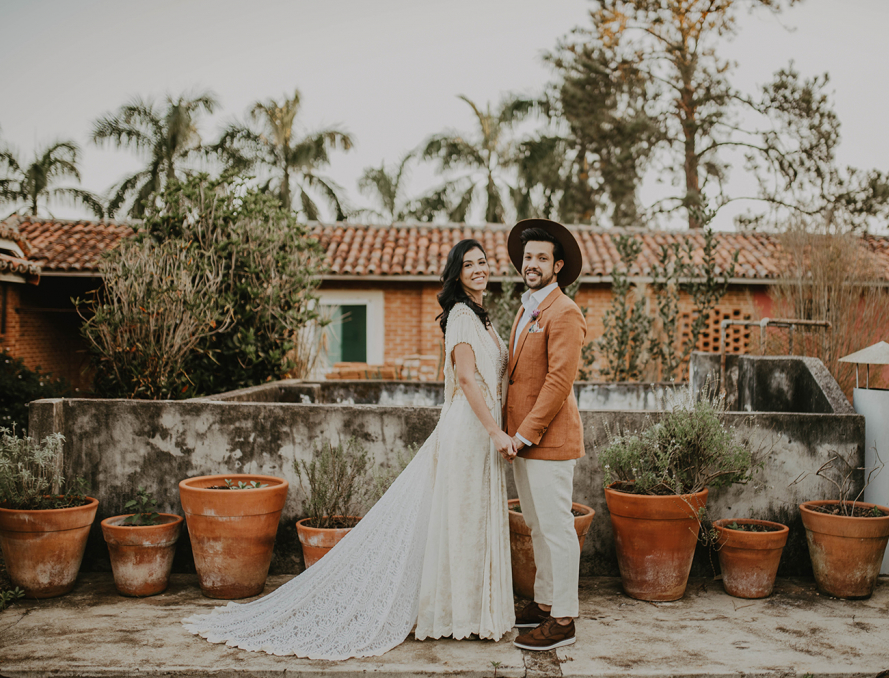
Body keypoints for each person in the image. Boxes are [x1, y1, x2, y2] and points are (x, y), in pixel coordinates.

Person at [182, 239, 517, 660]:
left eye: (483, 262)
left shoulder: (484, 318)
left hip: (482, 432)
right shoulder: (463, 317)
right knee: (462, 521)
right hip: (470, 432)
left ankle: (473, 611)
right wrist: (495, 432)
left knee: (470, 520)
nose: (479, 269)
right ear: (457, 274)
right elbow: (467, 380)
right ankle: (458, 615)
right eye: (469, 265)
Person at [503, 219, 587, 652]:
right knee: (537, 526)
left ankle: (565, 620)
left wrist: (523, 434)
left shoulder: (565, 311)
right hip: (523, 442)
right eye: (527, 256)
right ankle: (544, 602)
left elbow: (558, 382)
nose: (531, 263)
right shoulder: (527, 307)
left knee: (557, 530)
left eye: (540, 258)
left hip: (547, 441)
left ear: (557, 266)